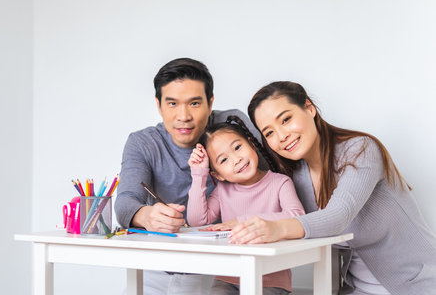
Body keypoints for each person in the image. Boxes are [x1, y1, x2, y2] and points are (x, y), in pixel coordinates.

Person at [230, 81, 436, 295]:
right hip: (356, 289)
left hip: (416, 286)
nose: (282, 136)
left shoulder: (361, 150)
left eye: (286, 119)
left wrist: (278, 229)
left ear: (309, 108)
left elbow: (338, 216)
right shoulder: (297, 178)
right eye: (269, 133)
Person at [114, 58, 266, 295]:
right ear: (159, 104)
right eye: (172, 103)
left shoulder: (232, 126)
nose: (183, 116)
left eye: (194, 103)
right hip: (160, 268)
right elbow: (125, 204)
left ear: (210, 102)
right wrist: (146, 215)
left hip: (224, 268)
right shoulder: (143, 143)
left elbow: (273, 176)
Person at [187, 115, 305, 295]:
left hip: (270, 280)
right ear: (218, 175)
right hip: (228, 277)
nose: (236, 159)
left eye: (237, 147)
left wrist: (240, 222)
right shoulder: (222, 190)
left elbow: (297, 216)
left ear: (251, 143)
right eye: (223, 160)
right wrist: (198, 173)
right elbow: (197, 221)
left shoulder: (280, 183)